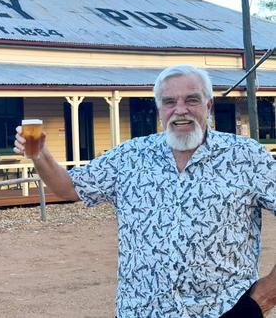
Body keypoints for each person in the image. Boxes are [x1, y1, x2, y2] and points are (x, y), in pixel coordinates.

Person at [14, 65, 276, 317]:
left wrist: (263, 298)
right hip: (140, 310)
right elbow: (69, 187)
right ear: (159, 109)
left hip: (224, 310)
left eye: (192, 100)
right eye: (169, 101)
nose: (180, 110)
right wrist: (39, 155)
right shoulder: (130, 156)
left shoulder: (246, 156)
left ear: (208, 105)